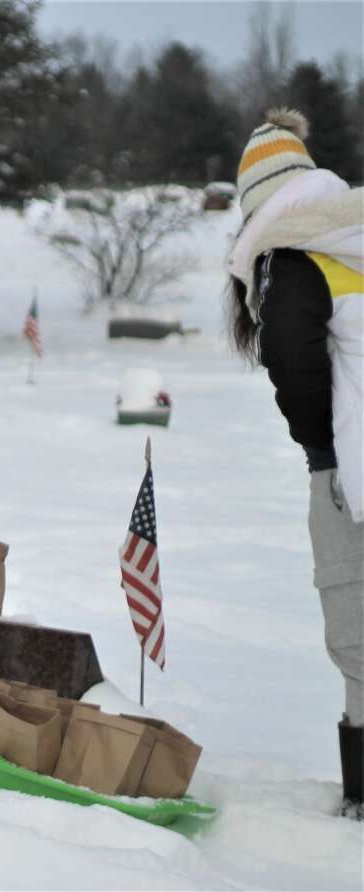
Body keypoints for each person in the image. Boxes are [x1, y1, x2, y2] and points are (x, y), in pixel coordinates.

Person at [226, 107, 363, 819]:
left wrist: (324, 449)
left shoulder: (293, 251)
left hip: (354, 474)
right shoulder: (353, 229)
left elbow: (292, 356)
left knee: (357, 626)